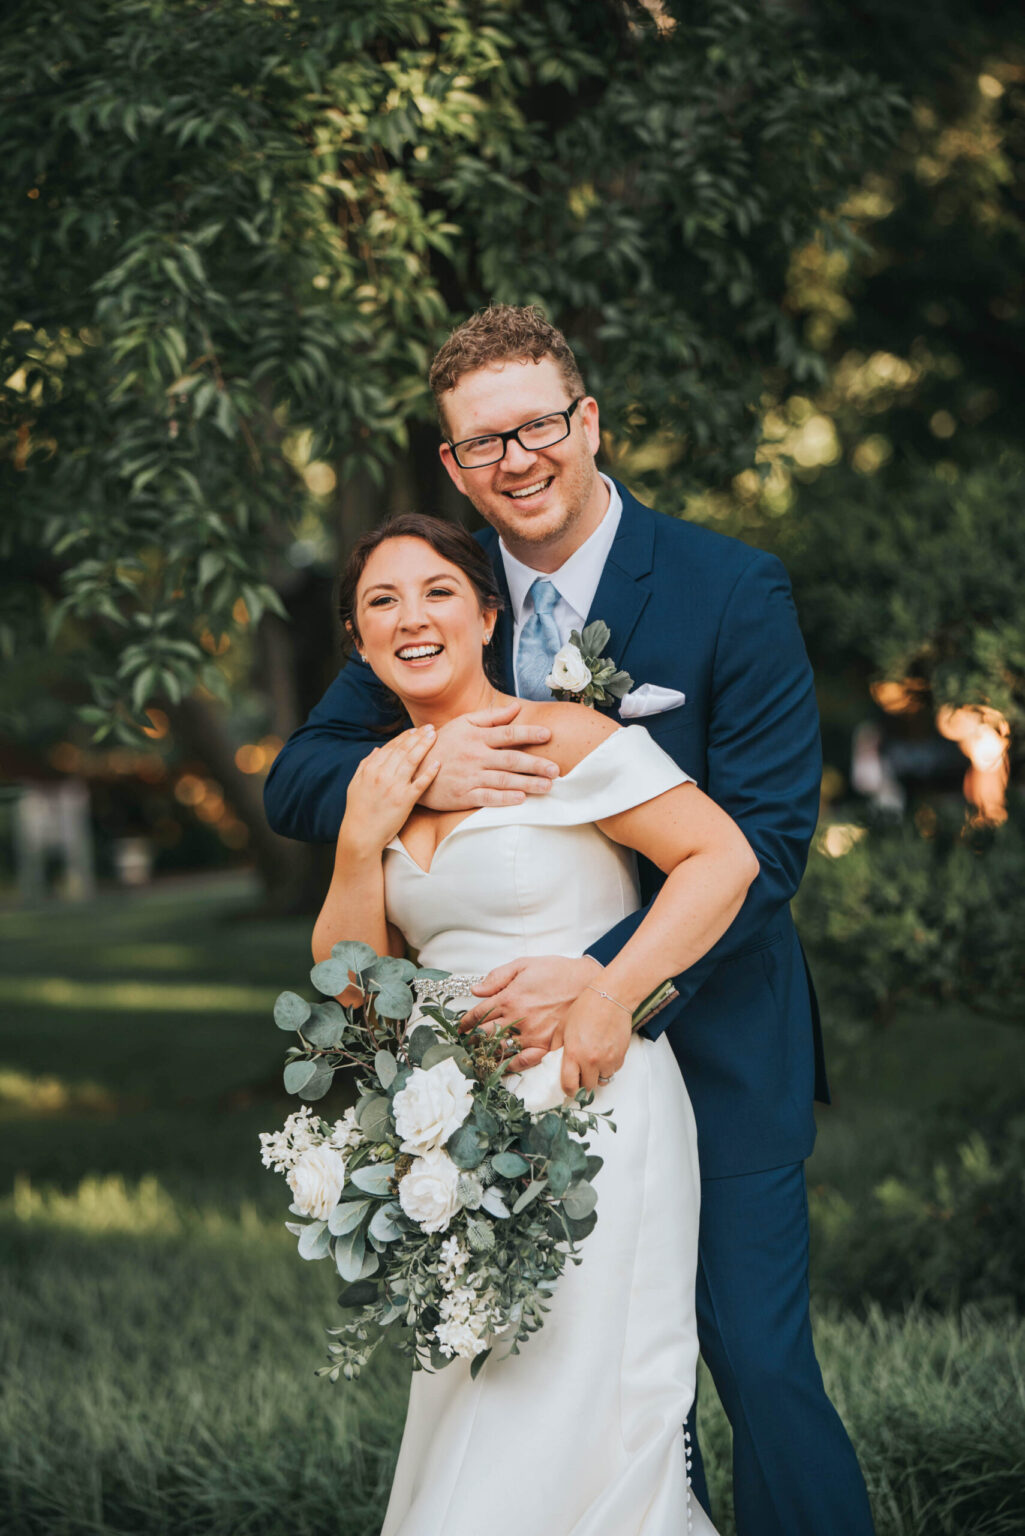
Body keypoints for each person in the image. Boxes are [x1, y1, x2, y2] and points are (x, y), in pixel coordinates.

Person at [264, 305, 876, 1536]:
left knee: (751, 1363)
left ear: (585, 422)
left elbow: (760, 850)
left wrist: (600, 981)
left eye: (537, 425)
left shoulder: (725, 587)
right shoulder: (441, 586)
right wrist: (428, 768)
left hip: (713, 1039)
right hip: (514, 1078)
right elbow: (304, 774)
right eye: (482, 442)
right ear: (452, 462)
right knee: (594, 1388)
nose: (515, 459)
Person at [313, 514, 757, 1534]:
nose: (409, 616)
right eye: (381, 601)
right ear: (358, 640)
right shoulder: (380, 779)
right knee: (475, 1397)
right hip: (454, 1137)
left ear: (484, 615)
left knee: (580, 1414)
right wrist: (356, 839)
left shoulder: (553, 735)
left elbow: (721, 862)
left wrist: (609, 994)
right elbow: (349, 990)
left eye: (434, 592)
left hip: (591, 1101)